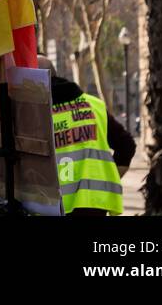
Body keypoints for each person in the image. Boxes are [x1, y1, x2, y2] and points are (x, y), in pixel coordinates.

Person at [41, 56, 135, 216]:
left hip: (51, 201)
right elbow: (126, 145)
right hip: (95, 201)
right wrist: (111, 177)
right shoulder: (94, 104)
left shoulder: (33, 112)